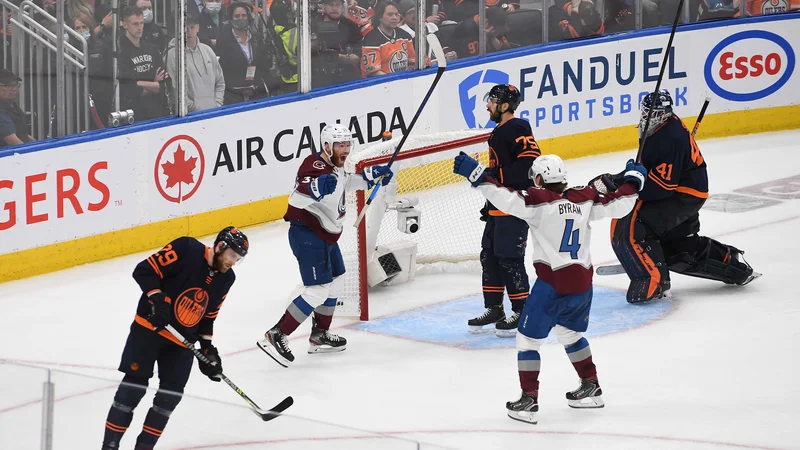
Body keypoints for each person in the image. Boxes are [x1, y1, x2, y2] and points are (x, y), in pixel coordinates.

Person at [453, 152, 647, 424]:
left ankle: (528, 400)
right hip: (582, 285)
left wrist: (478, 177)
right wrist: (634, 181)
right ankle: (590, 385)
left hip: (552, 285)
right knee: (569, 333)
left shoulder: (538, 202)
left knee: (527, 340)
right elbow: (620, 204)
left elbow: (504, 197)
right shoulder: (585, 198)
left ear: (541, 179)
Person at [257, 124, 393, 367]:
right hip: (307, 234)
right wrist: (315, 188)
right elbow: (298, 193)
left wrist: (372, 176)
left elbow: (346, 183)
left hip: (326, 236)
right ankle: (277, 334)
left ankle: (319, 336)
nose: (346, 149)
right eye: (341, 145)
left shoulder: (338, 167)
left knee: (337, 281)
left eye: (348, 144)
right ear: (327, 146)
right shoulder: (314, 165)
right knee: (318, 289)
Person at [101, 227, 248, 450]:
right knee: (133, 389)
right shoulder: (186, 249)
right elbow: (144, 270)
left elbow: (207, 318)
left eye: (237, 259)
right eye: (231, 256)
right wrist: (156, 297)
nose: (232, 262)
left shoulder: (227, 279)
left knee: (169, 398)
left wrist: (208, 350)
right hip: (149, 330)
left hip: (181, 344)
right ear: (219, 246)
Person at [608, 90, 759, 303]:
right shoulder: (662, 129)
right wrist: (631, 177)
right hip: (682, 188)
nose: (646, 116)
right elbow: (656, 166)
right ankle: (732, 265)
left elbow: (662, 189)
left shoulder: (669, 138)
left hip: (684, 194)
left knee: (636, 222)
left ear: (664, 114)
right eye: (645, 110)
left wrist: (633, 184)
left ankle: (654, 280)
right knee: (681, 251)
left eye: (653, 112)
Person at [467, 84, 539, 337]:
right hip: (498, 205)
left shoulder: (517, 127)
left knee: (510, 259)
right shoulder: (500, 130)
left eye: (492, 101)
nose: (488, 105)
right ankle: (494, 308)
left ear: (505, 106)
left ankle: (522, 310)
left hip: (515, 205)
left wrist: (490, 175)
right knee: (489, 256)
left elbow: (528, 168)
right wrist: (490, 199)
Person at [165, 15, 225, 113]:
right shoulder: (172, 56)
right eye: (185, 27)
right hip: (188, 117)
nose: (189, 31)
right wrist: (195, 108)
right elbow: (174, 91)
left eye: (192, 27)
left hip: (214, 113)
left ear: (198, 27)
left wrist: (217, 104)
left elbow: (220, 82)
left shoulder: (208, 50)